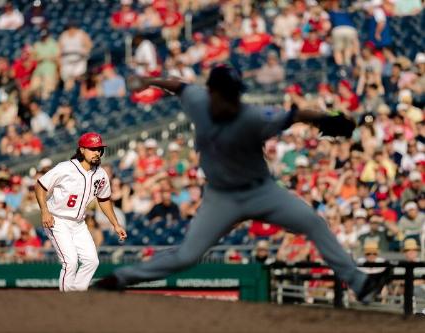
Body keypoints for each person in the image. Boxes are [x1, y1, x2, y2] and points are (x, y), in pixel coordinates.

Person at [95, 64, 389, 303]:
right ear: (212, 93)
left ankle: (359, 283)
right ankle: (121, 278)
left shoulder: (253, 117)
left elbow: (296, 114)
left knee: (313, 222)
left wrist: (326, 119)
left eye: (235, 93)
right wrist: (147, 80)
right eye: (227, 93)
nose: (232, 98)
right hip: (221, 199)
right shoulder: (199, 101)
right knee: (187, 255)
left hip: (262, 192)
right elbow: (176, 84)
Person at [35, 132, 127, 292]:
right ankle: (66, 301)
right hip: (57, 220)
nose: (97, 152)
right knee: (70, 262)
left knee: (92, 261)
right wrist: (44, 212)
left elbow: (104, 199)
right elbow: (40, 186)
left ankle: (76, 295)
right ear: (82, 150)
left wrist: (116, 224)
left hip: (78, 224)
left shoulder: (101, 174)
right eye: (93, 149)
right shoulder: (66, 168)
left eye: (99, 149)